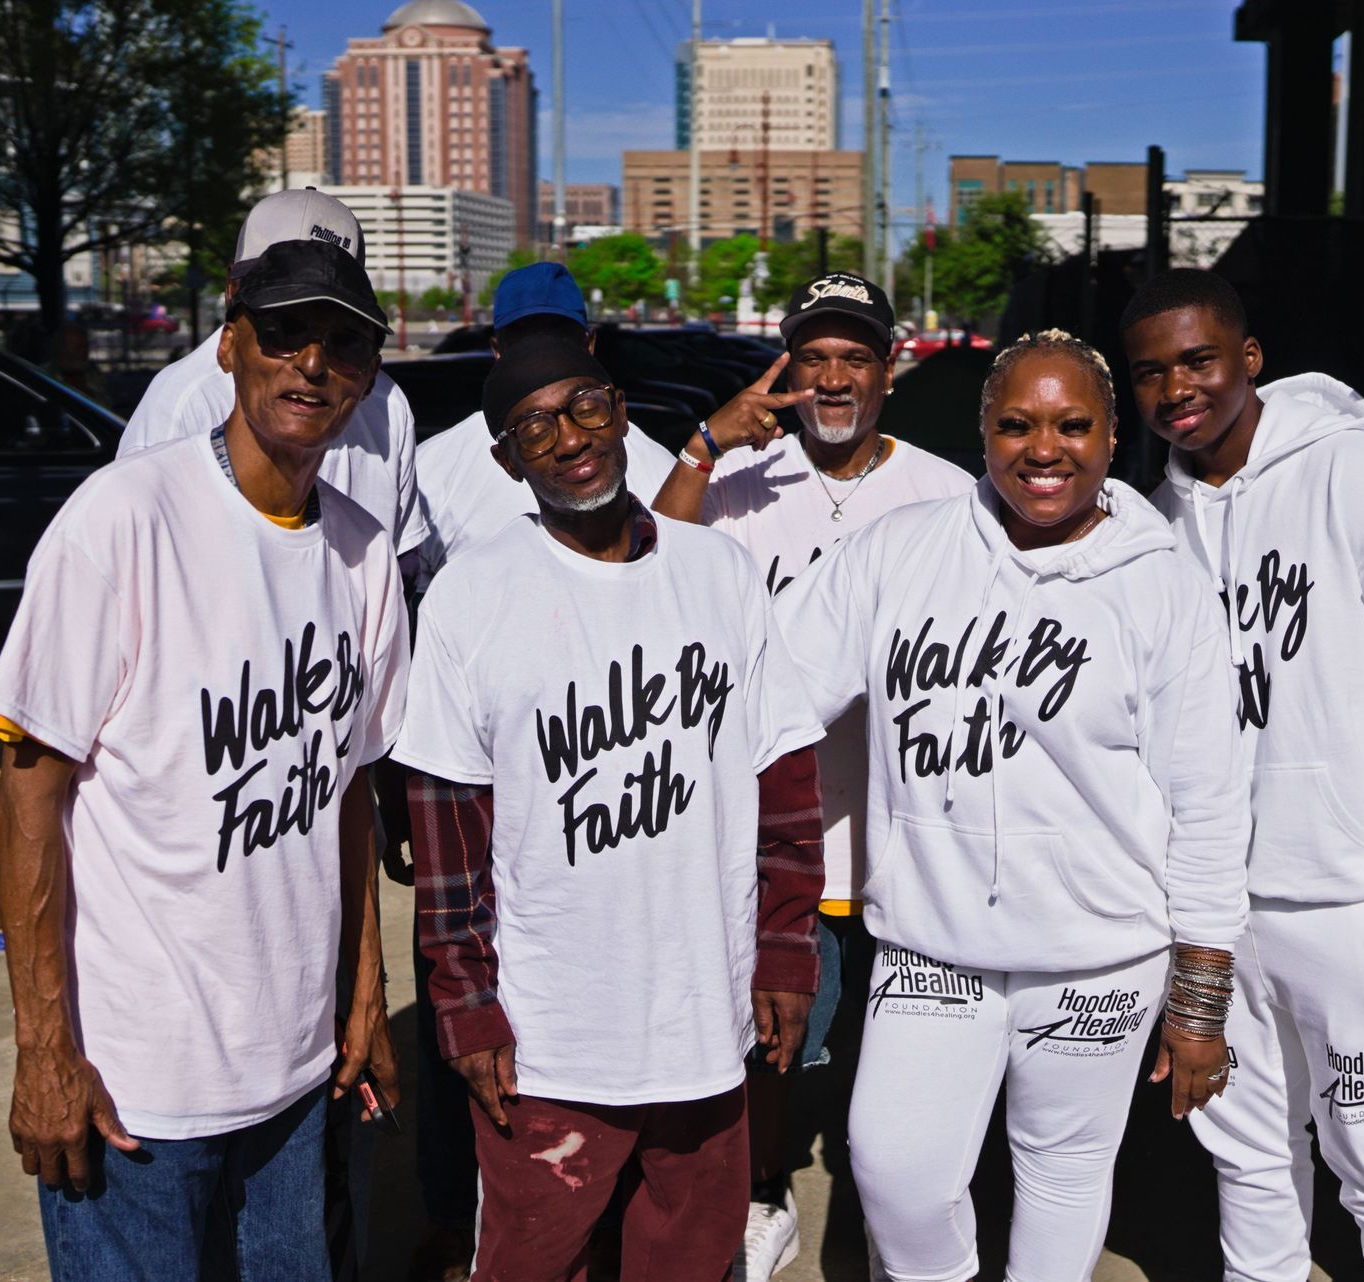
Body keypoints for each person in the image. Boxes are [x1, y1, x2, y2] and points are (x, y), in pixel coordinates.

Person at [775, 330, 1251, 1281]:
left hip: (1100, 957)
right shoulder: (900, 553)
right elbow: (775, 695)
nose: (1045, 449)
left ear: (1113, 437)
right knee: (895, 1170)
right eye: (1017, 425)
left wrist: (1199, 1000)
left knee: (1063, 1174)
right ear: (981, 432)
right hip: (931, 947)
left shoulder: (1165, 586)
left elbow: (1209, 804)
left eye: (1073, 425)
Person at [0, 238, 409, 1279]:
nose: (313, 363)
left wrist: (363, 994)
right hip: (137, 1087)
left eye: (343, 345)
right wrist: (45, 1051)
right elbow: (29, 793)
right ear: (230, 346)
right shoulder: (123, 519)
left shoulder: (363, 550)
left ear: (366, 377)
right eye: (286, 334)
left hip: (297, 1082)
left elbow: (348, 785)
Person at [393, 334, 828, 1280]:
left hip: (703, 1024)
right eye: (533, 427)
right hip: (550, 1046)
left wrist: (789, 947)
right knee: (534, 1264)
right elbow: (446, 831)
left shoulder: (718, 573)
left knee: (688, 1261)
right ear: (507, 459)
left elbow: (784, 778)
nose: (569, 438)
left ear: (622, 409)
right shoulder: (472, 595)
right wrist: (466, 1007)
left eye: (585, 406)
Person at [1126, 269, 1364, 1280]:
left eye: (1197, 360)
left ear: (1249, 358)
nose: (1177, 389)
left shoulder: (1356, 477)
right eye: (1151, 373)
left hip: (1350, 904)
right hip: (1221, 915)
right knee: (1245, 1155)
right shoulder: (1154, 523)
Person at [651, 270, 973, 1277]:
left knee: (906, 1054)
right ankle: (764, 1186)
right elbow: (647, 576)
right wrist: (705, 445)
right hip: (776, 832)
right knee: (768, 1040)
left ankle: (901, 1213)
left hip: (902, 836)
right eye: (814, 356)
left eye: (854, 356)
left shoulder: (944, 491)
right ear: (787, 365)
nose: (833, 377)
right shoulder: (740, 481)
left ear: (890, 366)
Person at [120, 188, 429, 565]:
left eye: (338, 325)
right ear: (233, 289)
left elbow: (403, 565)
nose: (311, 363)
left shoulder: (386, 403)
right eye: (285, 321)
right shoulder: (184, 402)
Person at [413, 263, 678, 585]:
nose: (570, 443)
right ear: (506, 461)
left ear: (589, 343)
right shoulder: (433, 467)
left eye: (558, 338)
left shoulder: (660, 470)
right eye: (523, 341)